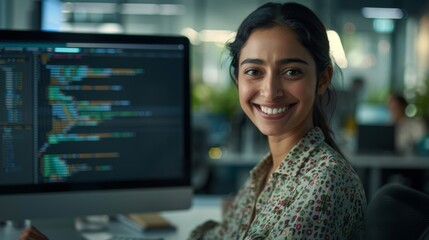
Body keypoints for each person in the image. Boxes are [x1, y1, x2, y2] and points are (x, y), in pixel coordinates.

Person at [20, 2, 366, 239]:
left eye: (291, 71)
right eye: (254, 72)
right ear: (238, 80)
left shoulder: (323, 183)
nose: (270, 90)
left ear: (322, 79)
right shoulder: (270, 170)